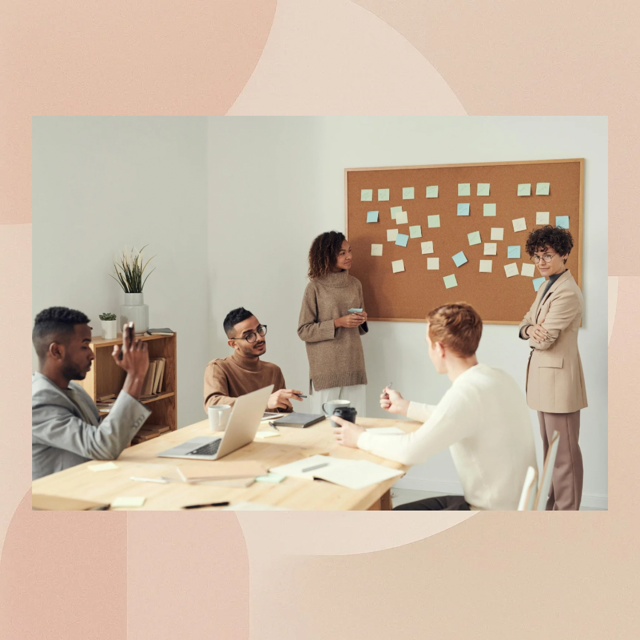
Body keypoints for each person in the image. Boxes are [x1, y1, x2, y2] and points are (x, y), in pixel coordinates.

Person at [332, 303, 536, 511]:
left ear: (439, 348)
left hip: (486, 520)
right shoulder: (497, 377)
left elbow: (410, 450)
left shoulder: (467, 393)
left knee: (386, 519)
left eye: (428, 344)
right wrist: (406, 407)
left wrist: (360, 438)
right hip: (513, 508)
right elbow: (456, 417)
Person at [32, 307, 151, 480]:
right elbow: (103, 446)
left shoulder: (76, 390)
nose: (92, 354)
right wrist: (135, 376)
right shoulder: (38, 402)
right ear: (56, 351)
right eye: (84, 346)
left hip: (91, 487)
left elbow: (107, 437)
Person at [518, 225, 587, 510]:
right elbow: (525, 323)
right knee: (552, 455)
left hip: (559, 384)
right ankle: (553, 511)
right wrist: (529, 330)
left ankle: (567, 516)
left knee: (564, 459)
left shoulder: (567, 292)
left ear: (565, 253)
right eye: (536, 256)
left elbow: (544, 340)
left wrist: (533, 332)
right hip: (545, 384)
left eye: (547, 255)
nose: (541, 262)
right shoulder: (547, 285)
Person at [298, 231, 368, 415]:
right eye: (342, 253)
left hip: (353, 364)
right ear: (327, 255)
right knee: (323, 427)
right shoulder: (315, 287)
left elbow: (358, 327)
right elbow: (304, 331)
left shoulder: (355, 284)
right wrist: (337, 322)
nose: (349, 256)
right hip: (326, 370)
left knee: (357, 423)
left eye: (349, 251)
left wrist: (361, 319)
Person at [204, 307, 303, 412]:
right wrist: (263, 402)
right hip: (238, 429)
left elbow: (285, 416)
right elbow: (213, 404)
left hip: (271, 428)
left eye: (260, 330)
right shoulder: (218, 367)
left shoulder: (274, 370)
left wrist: (286, 406)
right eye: (249, 336)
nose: (260, 338)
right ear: (233, 344)